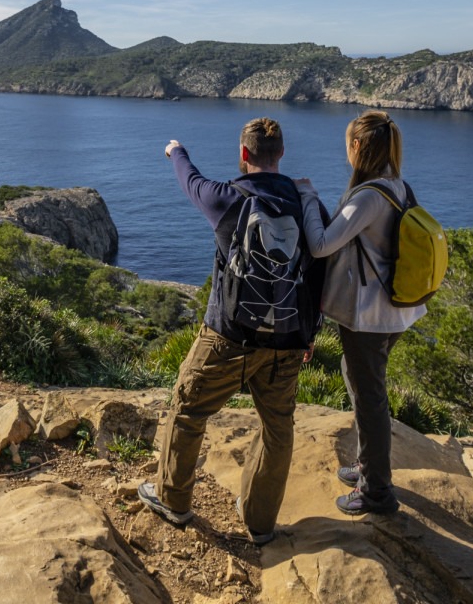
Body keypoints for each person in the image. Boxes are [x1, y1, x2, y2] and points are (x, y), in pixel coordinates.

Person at [138, 118, 320, 545]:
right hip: (287, 343)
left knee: (187, 407)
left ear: (244, 155)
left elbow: (190, 180)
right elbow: (319, 274)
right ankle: (259, 523)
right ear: (281, 156)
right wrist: (308, 333)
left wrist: (175, 150)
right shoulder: (307, 204)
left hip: (227, 337)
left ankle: (174, 501)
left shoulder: (228, 199)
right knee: (277, 429)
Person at [294, 110, 426, 516]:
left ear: (356, 147)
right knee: (362, 387)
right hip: (394, 311)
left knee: (369, 398)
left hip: (369, 317)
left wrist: (307, 198)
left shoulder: (369, 196)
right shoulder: (397, 186)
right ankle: (367, 467)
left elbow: (320, 246)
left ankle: (377, 493)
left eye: (346, 143)